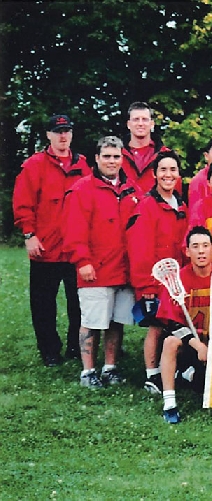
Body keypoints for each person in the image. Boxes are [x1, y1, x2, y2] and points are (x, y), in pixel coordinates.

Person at [63, 136, 142, 388]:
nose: (111, 161)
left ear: (122, 159)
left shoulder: (132, 190)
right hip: (95, 269)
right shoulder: (81, 189)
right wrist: (82, 261)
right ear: (96, 159)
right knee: (92, 321)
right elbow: (73, 230)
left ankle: (110, 367)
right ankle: (88, 371)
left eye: (116, 156)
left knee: (116, 321)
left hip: (124, 269)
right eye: (106, 156)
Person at [12, 114, 91, 366]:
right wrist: (29, 234)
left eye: (67, 130)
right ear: (48, 135)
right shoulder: (34, 165)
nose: (63, 135)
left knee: (78, 304)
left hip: (75, 249)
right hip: (45, 247)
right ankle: (49, 351)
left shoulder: (84, 165)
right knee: (43, 304)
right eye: (57, 131)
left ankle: (76, 347)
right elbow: (23, 203)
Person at [126, 150, 189, 394]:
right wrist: (146, 286)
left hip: (176, 280)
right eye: (163, 170)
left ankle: (171, 369)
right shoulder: (148, 205)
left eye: (173, 170)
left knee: (172, 325)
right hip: (155, 280)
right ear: (154, 174)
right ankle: (152, 374)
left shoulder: (180, 204)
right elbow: (139, 247)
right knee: (156, 326)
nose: (168, 174)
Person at [156, 226, 212, 423]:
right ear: (187, 251)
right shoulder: (178, 279)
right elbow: (172, 323)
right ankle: (170, 403)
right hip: (191, 342)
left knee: (202, 384)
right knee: (170, 342)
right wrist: (198, 345)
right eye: (195, 246)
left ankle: (190, 376)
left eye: (205, 246)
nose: (201, 251)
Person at [120, 101, 173, 193]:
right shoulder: (116, 156)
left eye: (144, 119)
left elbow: (175, 192)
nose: (140, 124)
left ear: (152, 124)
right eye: (136, 119)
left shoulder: (165, 155)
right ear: (128, 124)